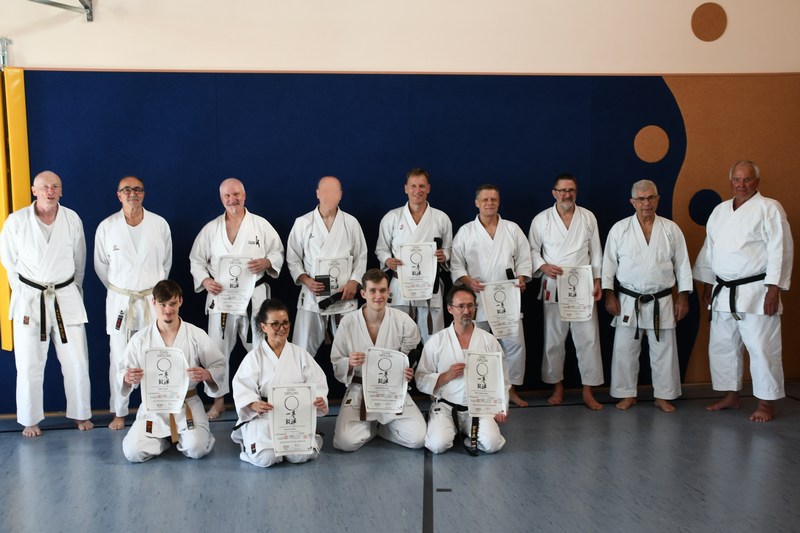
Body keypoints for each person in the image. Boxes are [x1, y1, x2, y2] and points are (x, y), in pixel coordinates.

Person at [693, 160, 793, 422]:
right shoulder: (720, 211)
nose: (741, 185)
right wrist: (708, 285)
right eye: (737, 179)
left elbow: (780, 249)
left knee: (762, 347)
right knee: (724, 346)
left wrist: (774, 289)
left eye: (747, 179)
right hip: (723, 291)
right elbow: (710, 250)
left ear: (756, 182)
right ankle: (731, 395)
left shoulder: (769, 208)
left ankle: (766, 403)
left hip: (757, 291)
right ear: (731, 182)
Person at [0, 170, 93, 437]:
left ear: (61, 191)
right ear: (34, 190)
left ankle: (81, 413)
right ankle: (30, 419)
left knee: (77, 360)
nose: (50, 191)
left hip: (65, 296)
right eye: (44, 187)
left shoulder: (71, 219)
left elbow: (79, 261)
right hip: (30, 299)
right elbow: (9, 262)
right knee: (29, 362)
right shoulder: (16, 221)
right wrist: (24, 291)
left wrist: (73, 290)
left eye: (55, 186)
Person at [189, 177, 284, 419]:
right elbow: (196, 261)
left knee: (260, 347)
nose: (232, 199)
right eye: (227, 196)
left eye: (236, 194)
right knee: (217, 350)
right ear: (221, 199)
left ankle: (261, 397)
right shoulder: (211, 229)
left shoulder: (260, 225)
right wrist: (205, 281)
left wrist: (267, 262)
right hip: (221, 298)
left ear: (244, 195)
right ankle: (218, 400)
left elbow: (278, 251)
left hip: (254, 298)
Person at [602, 180, 692, 412]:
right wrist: (609, 294)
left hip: (661, 299)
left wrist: (683, 296)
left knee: (664, 350)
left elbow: (682, 265)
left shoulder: (671, 229)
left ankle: (663, 395)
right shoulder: (620, 229)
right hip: (628, 299)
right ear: (632, 201)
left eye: (651, 197)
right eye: (641, 199)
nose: (646, 203)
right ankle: (626, 394)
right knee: (624, 349)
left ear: (658, 199)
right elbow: (608, 265)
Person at [94, 176, 172, 430]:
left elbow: (166, 262)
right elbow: (101, 266)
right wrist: (122, 288)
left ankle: (158, 409)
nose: (132, 193)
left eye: (137, 189)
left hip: (152, 299)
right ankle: (119, 412)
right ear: (119, 195)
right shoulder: (107, 227)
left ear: (143, 194)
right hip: (121, 299)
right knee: (120, 356)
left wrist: (154, 291)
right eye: (126, 190)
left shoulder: (159, 224)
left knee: (157, 353)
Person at [120, 280, 225, 462]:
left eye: (173, 303)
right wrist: (127, 377)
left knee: (197, 448)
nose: (168, 309)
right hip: (154, 407)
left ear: (180, 302)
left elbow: (218, 365)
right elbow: (123, 370)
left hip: (187, 404)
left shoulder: (195, 334)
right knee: (133, 452)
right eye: (162, 304)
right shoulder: (140, 339)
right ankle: (166, 440)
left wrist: (206, 374)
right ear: (153, 303)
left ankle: (179, 437)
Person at [451, 184, 532, 407]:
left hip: (508, 298)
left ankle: (511, 390)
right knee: (477, 346)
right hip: (477, 298)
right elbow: (456, 264)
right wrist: (468, 281)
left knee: (515, 345)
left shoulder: (512, 229)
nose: (489, 203)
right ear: (476, 203)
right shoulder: (466, 231)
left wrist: (521, 278)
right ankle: (476, 391)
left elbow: (524, 259)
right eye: (485, 200)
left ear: (498, 202)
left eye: (493, 199)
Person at [529, 173, 604, 410]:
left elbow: (597, 252)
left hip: (583, 285)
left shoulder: (588, 217)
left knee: (588, 339)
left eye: (571, 190)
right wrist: (543, 266)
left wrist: (598, 280)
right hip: (554, 284)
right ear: (554, 193)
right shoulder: (541, 219)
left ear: (576, 192)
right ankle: (557, 387)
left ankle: (588, 391)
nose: (566, 194)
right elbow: (531, 250)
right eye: (562, 190)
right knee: (554, 340)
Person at [330, 268, 426, 451]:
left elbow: (408, 358)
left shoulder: (403, 321)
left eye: (382, 290)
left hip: (392, 389)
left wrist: (407, 370)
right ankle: (371, 428)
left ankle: (383, 430)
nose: (378, 296)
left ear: (389, 292)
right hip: (360, 389)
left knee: (418, 439)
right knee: (345, 443)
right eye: (372, 291)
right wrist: (349, 363)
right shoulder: (348, 322)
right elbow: (336, 361)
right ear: (363, 293)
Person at [230, 299, 329, 467]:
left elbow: (317, 383)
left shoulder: (300, 355)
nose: (282, 328)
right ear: (263, 327)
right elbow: (242, 387)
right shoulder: (254, 357)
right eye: (275, 324)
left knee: (300, 456)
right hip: (263, 417)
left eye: (285, 323)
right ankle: (249, 448)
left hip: (294, 416)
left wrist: (319, 399)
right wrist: (253, 404)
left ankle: (305, 441)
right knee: (266, 458)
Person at [416, 286, 509, 454]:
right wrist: (445, 376)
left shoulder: (489, 341)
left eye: (470, 305)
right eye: (460, 306)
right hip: (446, 406)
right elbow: (421, 378)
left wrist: (501, 406)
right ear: (450, 309)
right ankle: (442, 424)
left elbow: (503, 378)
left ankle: (467, 435)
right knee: (437, 445)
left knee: (492, 444)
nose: (466, 311)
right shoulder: (436, 341)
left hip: (479, 407)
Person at [286, 176, 367, 357]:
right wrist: (306, 280)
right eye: (325, 191)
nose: (329, 195)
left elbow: (361, 256)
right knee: (301, 350)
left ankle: (351, 377)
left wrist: (354, 282)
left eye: (333, 191)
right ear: (317, 193)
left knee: (351, 352)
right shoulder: (303, 222)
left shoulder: (351, 223)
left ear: (340, 195)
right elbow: (292, 258)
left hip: (344, 294)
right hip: (312, 295)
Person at [375, 168, 453, 342]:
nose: (418, 190)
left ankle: (432, 361)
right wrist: (388, 260)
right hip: (401, 285)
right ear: (406, 188)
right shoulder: (392, 217)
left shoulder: (441, 218)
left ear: (428, 188)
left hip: (430, 286)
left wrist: (445, 255)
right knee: (398, 337)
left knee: (433, 339)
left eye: (422, 186)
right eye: (413, 186)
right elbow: (381, 249)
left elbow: (449, 248)